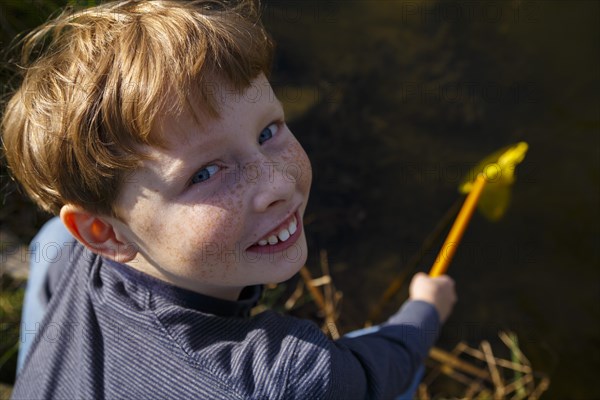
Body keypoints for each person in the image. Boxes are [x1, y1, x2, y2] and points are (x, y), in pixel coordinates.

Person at [2, 1, 456, 399]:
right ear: (103, 233)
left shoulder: (95, 248)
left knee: (55, 244)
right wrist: (425, 308)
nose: (276, 184)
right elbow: (382, 368)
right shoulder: (283, 377)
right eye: (204, 173)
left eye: (267, 131)